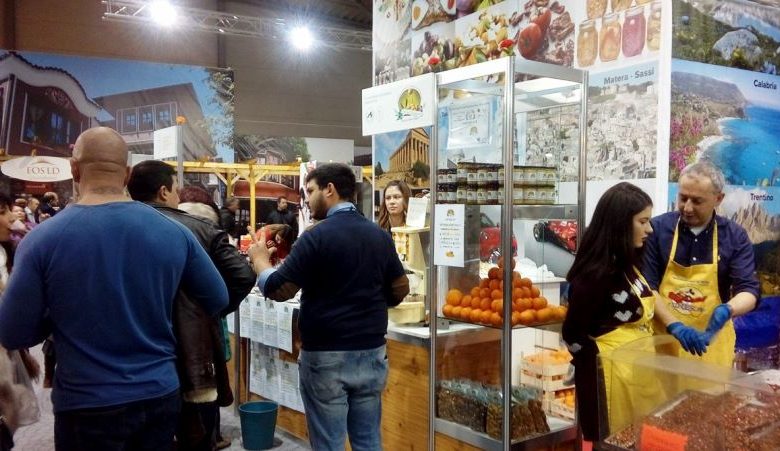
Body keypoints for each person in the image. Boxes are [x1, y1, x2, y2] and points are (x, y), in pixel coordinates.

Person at [0, 127, 229, 451]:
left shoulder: (41, 240)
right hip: (159, 394)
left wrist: (57, 314)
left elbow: (13, 333)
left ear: (74, 169)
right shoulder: (174, 232)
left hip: (85, 403)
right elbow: (217, 297)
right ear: (127, 174)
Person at [248, 163, 409, 450]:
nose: (307, 200)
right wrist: (367, 302)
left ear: (329, 190)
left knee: (329, 444)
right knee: (368, 441)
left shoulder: (315, 237)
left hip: (326, 356)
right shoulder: (379, 235)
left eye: (310, 191)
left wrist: (260, 260)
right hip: (371, 352)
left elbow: (279, 289)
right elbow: (400, 289)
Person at [127, 161, 256, 451]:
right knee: (197, 431)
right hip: (193, 349)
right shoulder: (200, 229)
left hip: (128, 360)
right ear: (163, 191)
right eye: (175, 189)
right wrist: (210, 312)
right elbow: (243, 275)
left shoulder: (113, 228)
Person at [562, 182, 700, 446]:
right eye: (643, 222)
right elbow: (573, 334)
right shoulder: (594, 275)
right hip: (612, 380)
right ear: (619, 224)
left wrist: (674, 326)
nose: (650, 229)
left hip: (638, 374)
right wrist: (594, 369)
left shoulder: (628, 263)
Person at [643, 161, 759, 367]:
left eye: (697, 201)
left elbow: (749, 290)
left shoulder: (734, 236)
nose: (687, 208)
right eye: (682, 198)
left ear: (718, 199)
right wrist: (675, 326)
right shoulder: (657, 229)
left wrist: (728, 309)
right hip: (662, 344)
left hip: (710, 347)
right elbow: (647, 287)